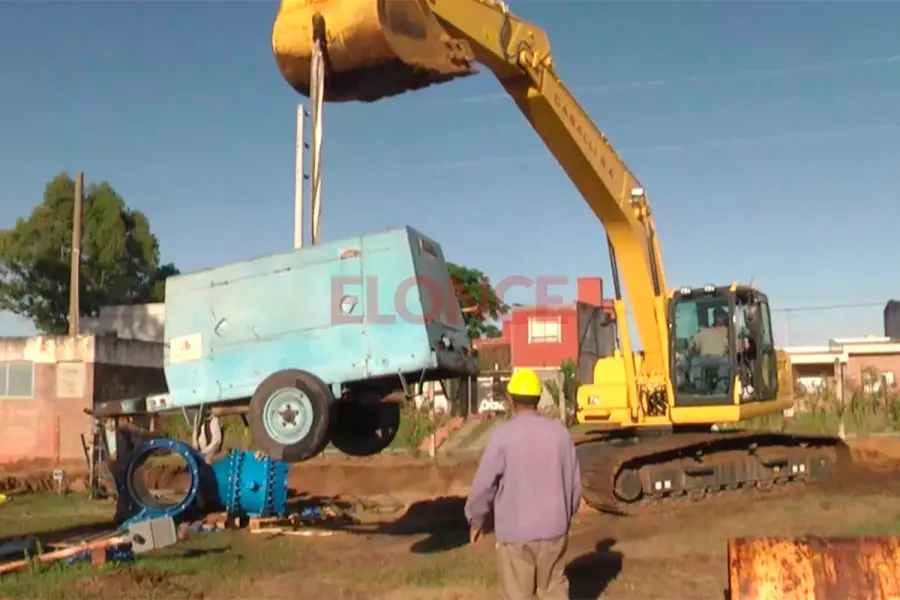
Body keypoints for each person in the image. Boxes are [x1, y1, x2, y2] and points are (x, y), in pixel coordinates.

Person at [464, 368, 581, 600]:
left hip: (516, 536)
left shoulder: (501, 437)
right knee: (554, 590)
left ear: (510, 400)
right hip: (554, 531)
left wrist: (476, 520)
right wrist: (564, 517)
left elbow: (484, 485)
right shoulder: (560, 433)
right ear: (538, 399)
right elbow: (574, 484)